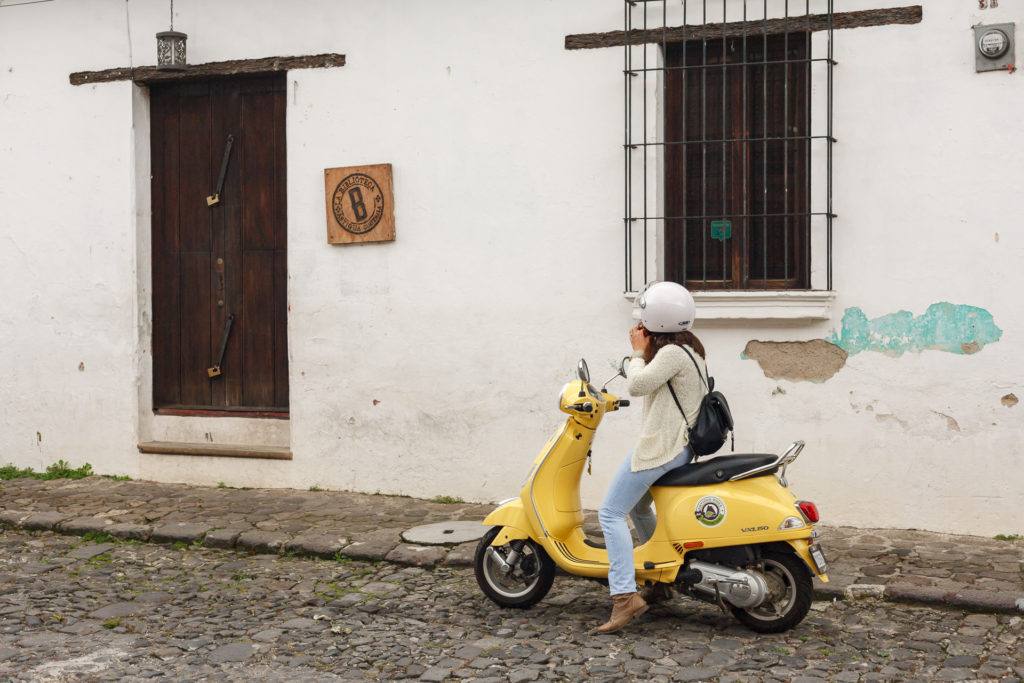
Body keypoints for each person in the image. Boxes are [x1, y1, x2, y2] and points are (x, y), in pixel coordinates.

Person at [594, 281, 708, 634]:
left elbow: (637, 384)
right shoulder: (691, 350)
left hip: (663, 448)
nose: (639, 326)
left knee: (610, 512)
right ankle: (661, 578)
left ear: (654, 321)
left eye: (643, 320)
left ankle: (624, 597)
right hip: (677, 447)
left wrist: (635, 352)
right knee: (639, 508)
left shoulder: (672, 354)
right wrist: (638, 357)